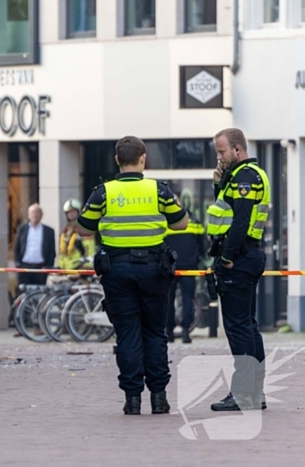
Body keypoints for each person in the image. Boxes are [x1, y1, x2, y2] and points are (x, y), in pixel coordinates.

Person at [78, 136, 188, 415]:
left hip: (117, 271)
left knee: (127, 334)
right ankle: (159, 398)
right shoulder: (159, 190)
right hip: (154, 270)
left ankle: (133, 399)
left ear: (117, 160)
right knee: (155, 333)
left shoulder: (103, 192)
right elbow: (181, 223)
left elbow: (83, 230)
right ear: (143, 158)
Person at [206, 128, 270, 412]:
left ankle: (243, 394)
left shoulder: (245, 176)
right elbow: (226, 209)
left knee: (238, 327)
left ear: (237, 150)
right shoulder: (243, 175)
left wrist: (228, 257)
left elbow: (240, 220)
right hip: (248, 256)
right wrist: (219, 184)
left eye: (222, 152)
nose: (219, 157)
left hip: (240, 257)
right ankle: (255, 393)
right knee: (248, 325)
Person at [164, 206, 208, 343]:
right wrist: (200, 259)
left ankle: (169, 332)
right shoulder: (195, 223)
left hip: (170, 267)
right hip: (189, 267)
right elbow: (203, 246)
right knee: (188, 299)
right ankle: (185, 331)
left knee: (168, 299)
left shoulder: (166, 224)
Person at [13, 203, 56, 287]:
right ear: (28, 215)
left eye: (37, 212)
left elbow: (52, 251)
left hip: (41, 268)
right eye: (33, 212)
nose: (35, 215)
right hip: (24, 267)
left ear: (41, 215)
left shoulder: (49, 231)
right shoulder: (22, 229)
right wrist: (17, 264)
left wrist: (48, 266)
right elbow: (16, 247)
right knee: (24, 294)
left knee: (39, 294)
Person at [57, 199, 96, 272]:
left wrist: (84, 270)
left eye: (73, 211)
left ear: (79, 212)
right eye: (69, 212)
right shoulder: (64, 231)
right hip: (64, 271)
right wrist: (59, 268)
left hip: (78, 271)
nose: (71, 214)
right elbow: (62, 253)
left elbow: (90, 252)